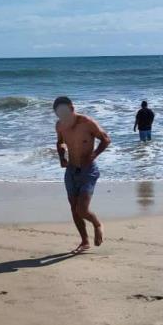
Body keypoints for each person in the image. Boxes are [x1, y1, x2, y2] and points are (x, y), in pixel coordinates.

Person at [53, 97, 110, 253]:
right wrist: (61, 155)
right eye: (59, 114)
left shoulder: (87, 122)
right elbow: (60, 142)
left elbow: (105, 139)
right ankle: (84, 241)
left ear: (72, 108)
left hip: (88, 171)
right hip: (71, 170)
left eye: (65, 112)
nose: (63, 117)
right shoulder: (59, 126)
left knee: (82, 210)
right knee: (74, 208)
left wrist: (94, 155)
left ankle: (97, 224)